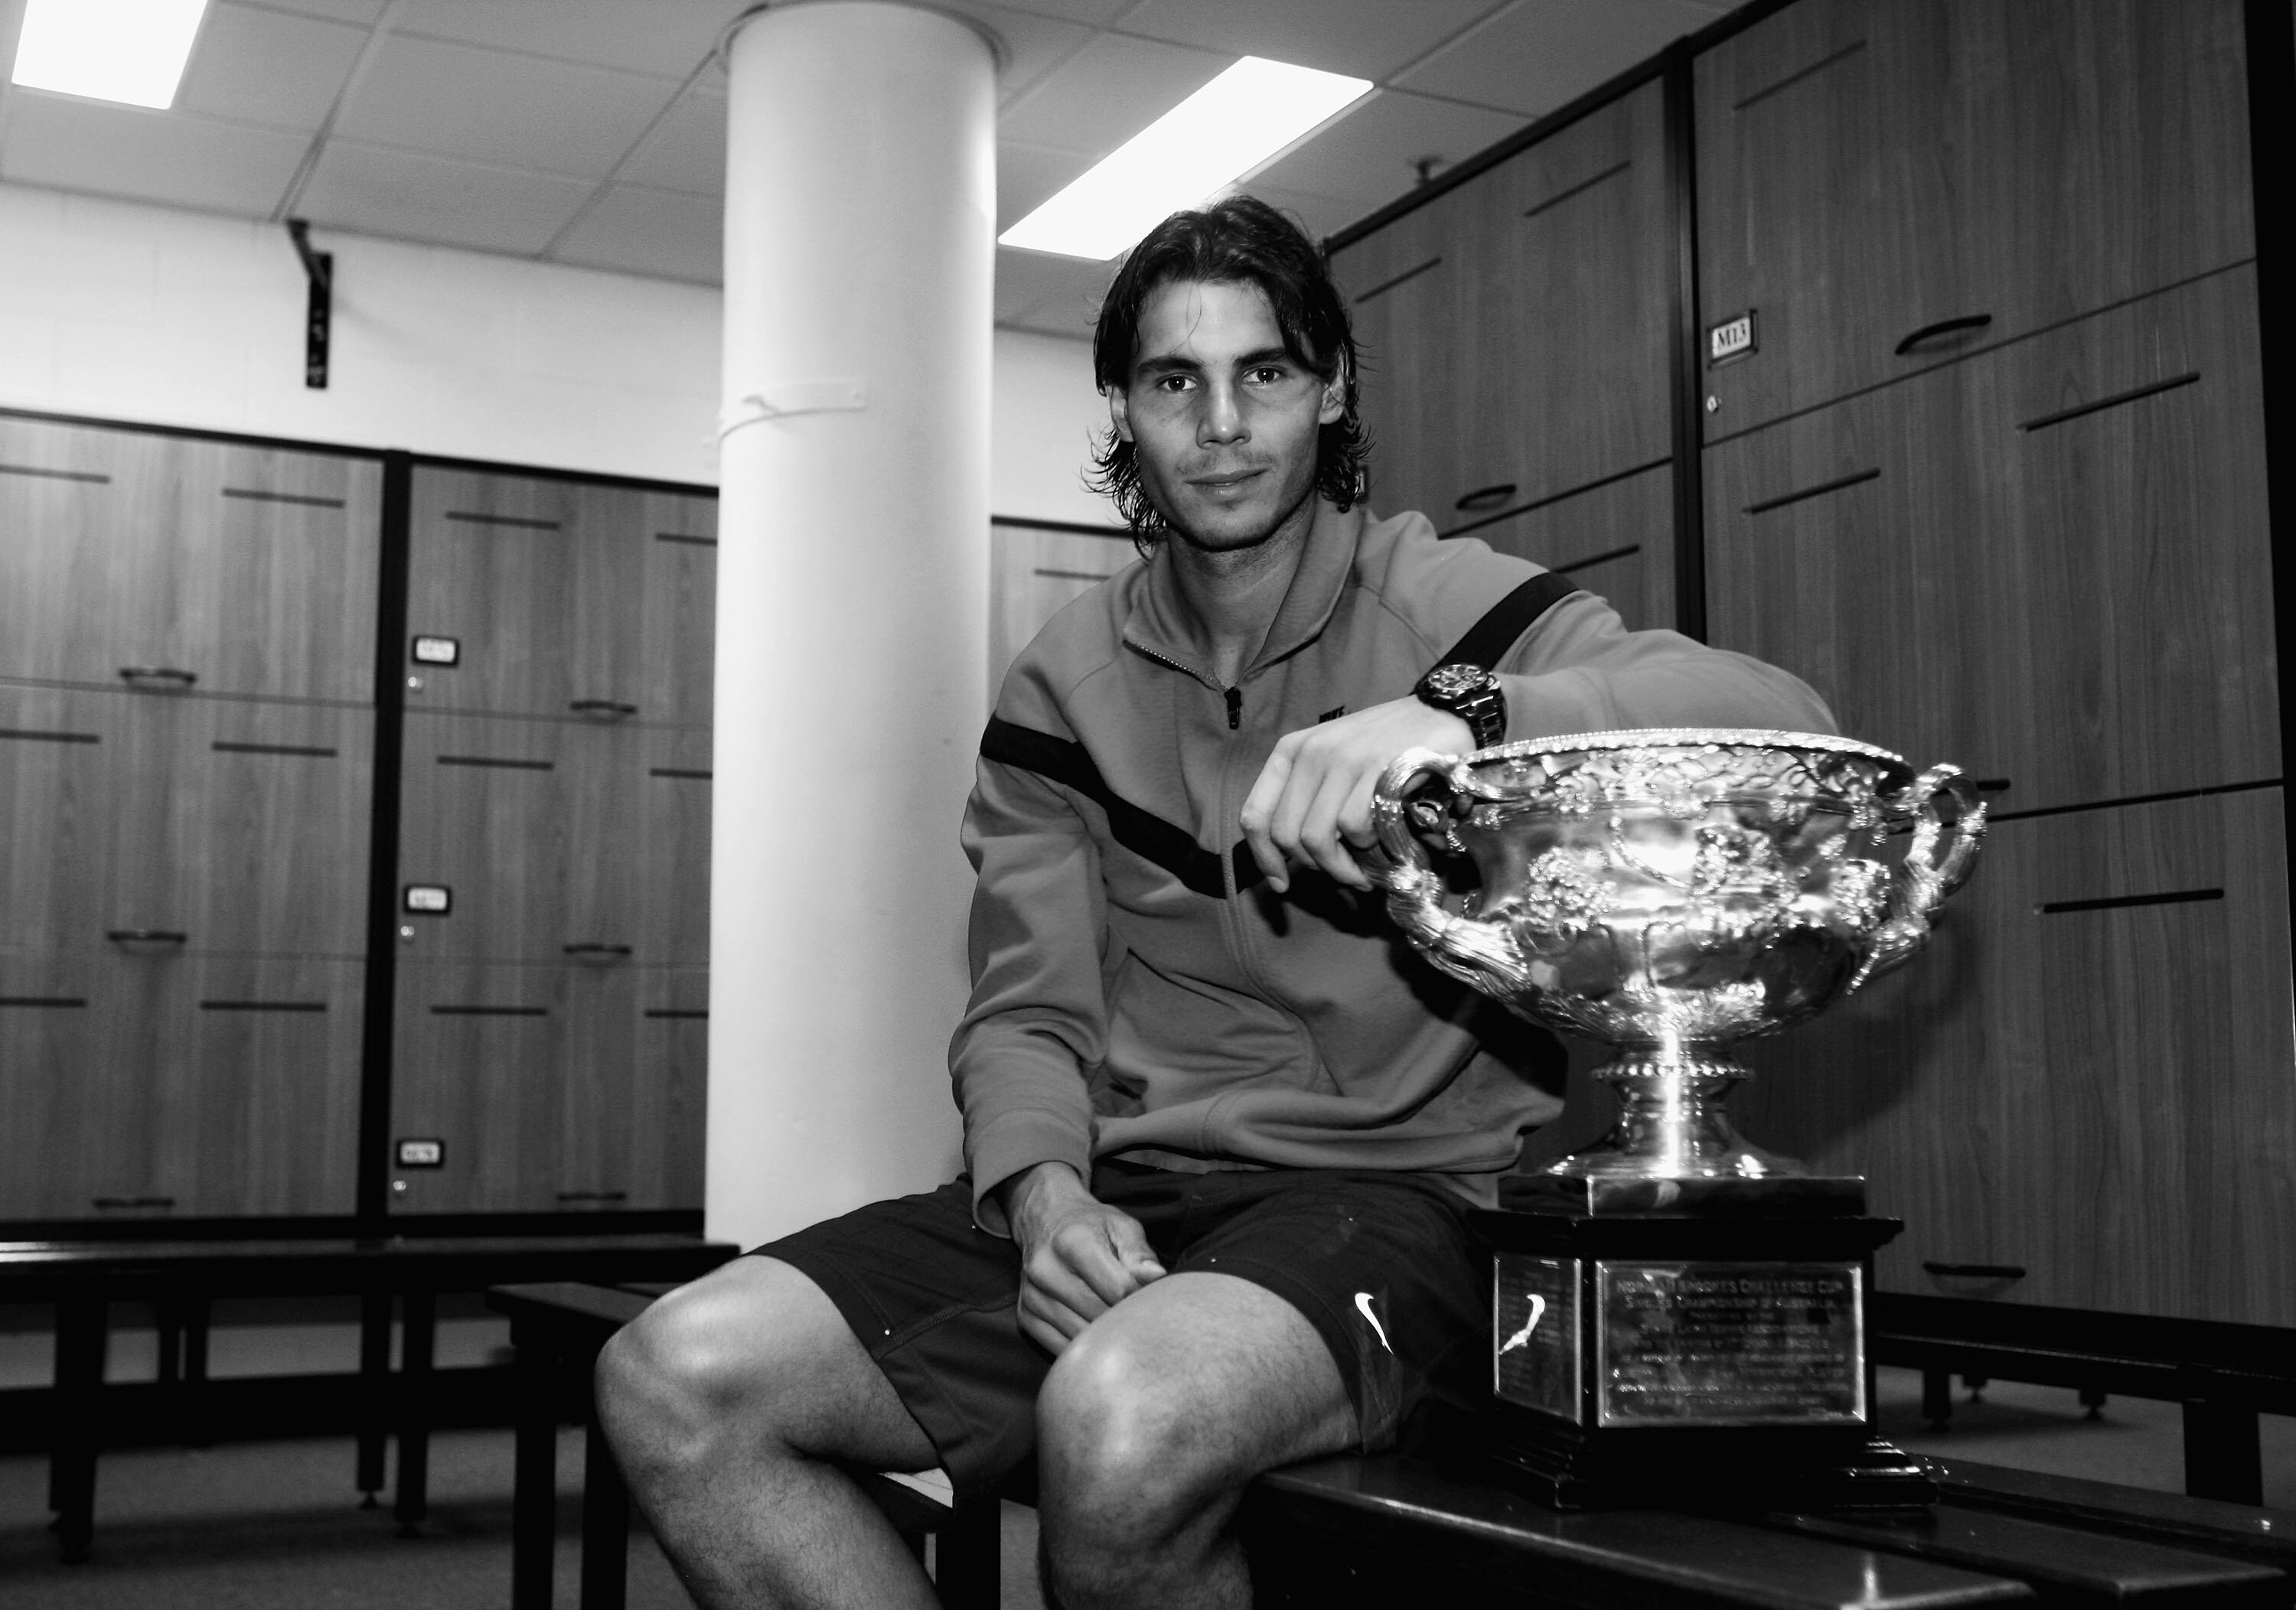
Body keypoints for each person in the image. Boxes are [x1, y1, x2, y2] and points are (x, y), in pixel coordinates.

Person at [596, 194, 1833, 1609]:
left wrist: (1475, 720)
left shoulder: (1451, 608)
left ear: (1332, 390)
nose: (1224, 423)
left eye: (1267, 373)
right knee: (676, 1378)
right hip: (1130, 1196)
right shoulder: (1062, 687)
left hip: (1397, 1198)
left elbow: (1771, 714)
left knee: (1124, 1421)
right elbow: (1026, 1010)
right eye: (1177, 381)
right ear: (1124, 405)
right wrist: (1047, 1200)